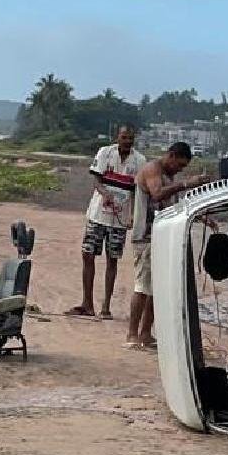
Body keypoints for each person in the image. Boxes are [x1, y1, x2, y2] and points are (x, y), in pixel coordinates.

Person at [125, 142, 208, 348]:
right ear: (171, 155)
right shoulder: (153, 170)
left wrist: (200, 216)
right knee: (142, 287)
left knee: (155, 289)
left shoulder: (168, 175)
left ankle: (145, 332)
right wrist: (185, 184)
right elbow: (157, 194)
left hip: (160, 237)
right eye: (179, 165)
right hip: (145, 237)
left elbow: (171, 207)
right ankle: (131, 334)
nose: (179, 170)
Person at [67, 125, 146, 319]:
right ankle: (87, 303)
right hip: (97, 214)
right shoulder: (105, 153)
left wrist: (133, 216)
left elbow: (137, 191)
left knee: (112, 260)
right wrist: (105, 193)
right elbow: (96, 181)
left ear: (134, 140)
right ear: (117, 137)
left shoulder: (140, 160)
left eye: (130, 138)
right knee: (88, 255)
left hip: (119, 219)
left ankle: (106, 307)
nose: (127, 141)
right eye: (124, 137)